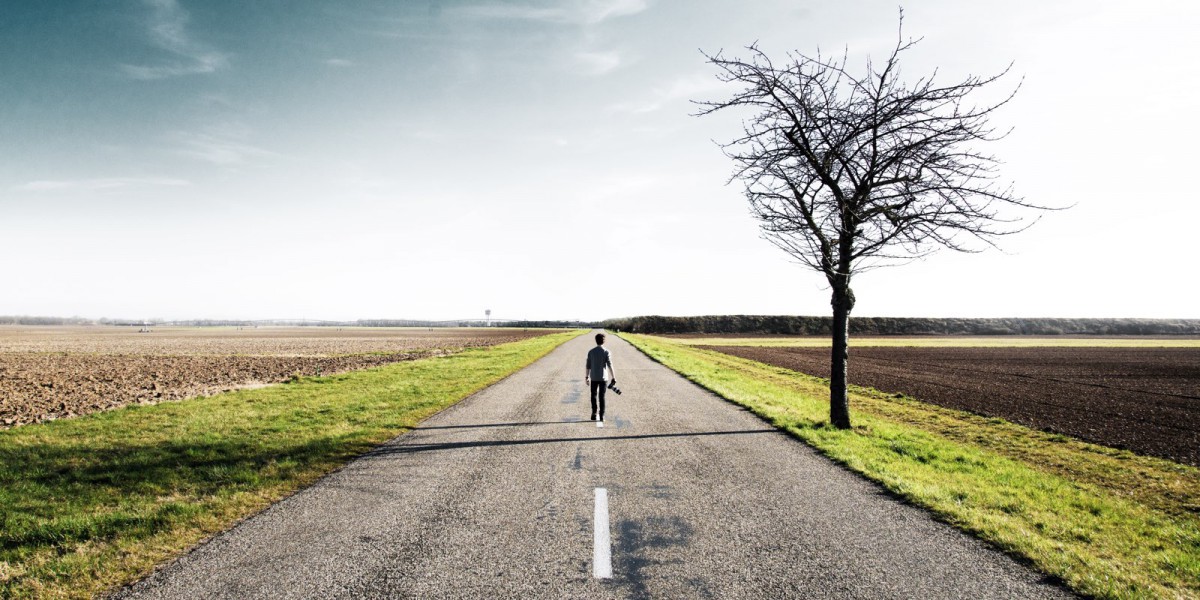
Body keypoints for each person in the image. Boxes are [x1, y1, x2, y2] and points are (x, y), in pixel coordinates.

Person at [585, 332, 616, 421]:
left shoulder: (591, 352)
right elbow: (610, 365)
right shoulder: (606, 352)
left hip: (594, 377)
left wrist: (586, 377)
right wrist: (614, 377)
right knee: (602, 397)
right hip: (603, 378)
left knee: (593, 395)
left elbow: (588, 366)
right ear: (604, 341)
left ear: (596, 341)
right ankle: (601, 415)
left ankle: (594, 413)